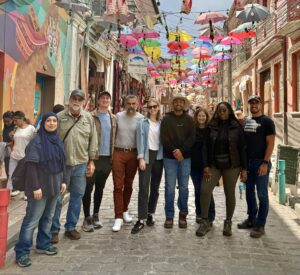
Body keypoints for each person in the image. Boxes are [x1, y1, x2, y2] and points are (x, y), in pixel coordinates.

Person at [14, 112, 67, 268]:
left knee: (48, 217)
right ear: (43, 123)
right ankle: (22, 252)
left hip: (55, 185)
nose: (51, 123)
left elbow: (62, 162)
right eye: (48, 121)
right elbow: (31, 166)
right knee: (32, 220)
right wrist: (36, 186)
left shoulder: (58, 140)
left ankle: (43, 244)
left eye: (54, 121)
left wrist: (63, 180)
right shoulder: (36, 142)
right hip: (40, 187)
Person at [50, 89, 98, 242]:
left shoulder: (88, 118)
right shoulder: (58, 117)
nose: (76, 101)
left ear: (83, 102)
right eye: (74, 98)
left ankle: (70, 227)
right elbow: (50, 138)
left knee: (77, 197)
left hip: (81, 164)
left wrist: (91, 161)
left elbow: (93, 140)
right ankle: (54, 230)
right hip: (61, 166)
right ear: (69, 100)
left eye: (79, 99)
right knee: (57, 198)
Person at [196, 102, 247, 237]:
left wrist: (244, 168)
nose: (222, 113)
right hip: (213, 164)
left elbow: (242, 148)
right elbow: (205, 147)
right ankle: (205, 221)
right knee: (205, 190)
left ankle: (228, 222)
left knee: (229, 193)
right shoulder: (211, 127)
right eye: (220, 111)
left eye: (224, 110)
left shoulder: (237, 127)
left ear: (229, 111)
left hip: (232, 165)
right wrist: (206, 165)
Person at [238, 95, 275, 238]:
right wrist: (244, 167)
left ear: (260, 105)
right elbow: (244, 145)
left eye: (256, 103)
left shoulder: (267, 122)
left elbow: (270, 143)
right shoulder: (246, 121)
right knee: (249, 192)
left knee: (262, 194)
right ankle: (251, 219)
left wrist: (265, 163)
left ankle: (260, 225)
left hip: (261, 163)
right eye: (251, 103)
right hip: (248, 163)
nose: (253, 105)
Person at [82, 91, 117, 232]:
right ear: (98, 101)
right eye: (102, 98)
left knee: (100, 188)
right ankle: (86, 217)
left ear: (110, 101)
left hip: (106, 158)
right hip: (93, 158)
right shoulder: (90, 116)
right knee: (88, 188)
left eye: (107, 98)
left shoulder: (113, 118)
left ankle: (96, 215)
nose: (105, 100)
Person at [160, 94, 195, 229]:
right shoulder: (166, 119)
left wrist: (182, 151)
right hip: (169, 158)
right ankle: (169, 215)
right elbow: (164, 138)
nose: (178, 103)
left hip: (185, 158)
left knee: (184, 187)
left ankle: (183, 214)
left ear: (184, 104)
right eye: (176, 101)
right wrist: (175, 151)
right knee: (169, 187)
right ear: (173, 104)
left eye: (181, 101)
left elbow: (192, 138)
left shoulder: (189, 120)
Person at [112, 95, 144, 232]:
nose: (131, 106)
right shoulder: (117, 116)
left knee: (129, 184)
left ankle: (125, 210)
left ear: (137, 104)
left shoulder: (141, 118)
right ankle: (118, 216)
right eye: (128, 103)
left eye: (133, 103)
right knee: (118, 185)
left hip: (133, 153)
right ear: (124, 104)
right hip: (118, 152)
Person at [131, 99, 163, 234]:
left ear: (158, 108)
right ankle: (141, 218)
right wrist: (141, 158)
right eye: (150, 107)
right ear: (147, 109)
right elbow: (139, 140)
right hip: (146, 154)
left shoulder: (162, 123)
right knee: (144, 188)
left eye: (155, 106)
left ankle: (151, 213)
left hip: (159, 156)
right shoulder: (142, 122)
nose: (152, 109)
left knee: (155, 187)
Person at [190, 107, 215, 225]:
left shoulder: (210, 130)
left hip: (207, 165)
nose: (201, 118)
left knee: (207, 190)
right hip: (194, 164)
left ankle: (210, 214)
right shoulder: (192, 130)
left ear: (206, 117)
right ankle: (199, 213)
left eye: (203, 116)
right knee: (198, 190)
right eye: (199, 116)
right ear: (196, 117)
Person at [7, 111, 35, 197]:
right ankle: (7, 193)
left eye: (16, 120)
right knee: (11, 175)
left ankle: (27, 194)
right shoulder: (16, 128)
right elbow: (15, 141)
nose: (14, 122)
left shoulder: (31, 128)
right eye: (14, 120)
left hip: (25, 157)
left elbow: (34, 142)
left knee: (26, 176)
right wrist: (11, 136)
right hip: (14, 155)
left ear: (22, 119)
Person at [2, 111, 15, 180]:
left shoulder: (15, 127)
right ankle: (9, 187)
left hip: (14, 152)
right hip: (7, 152)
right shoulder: (6, 127)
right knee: (8, 170)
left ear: (13, 119)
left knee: (13, 171)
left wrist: (8, 143)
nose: (6, 123)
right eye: (5, 121)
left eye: (8, 121)